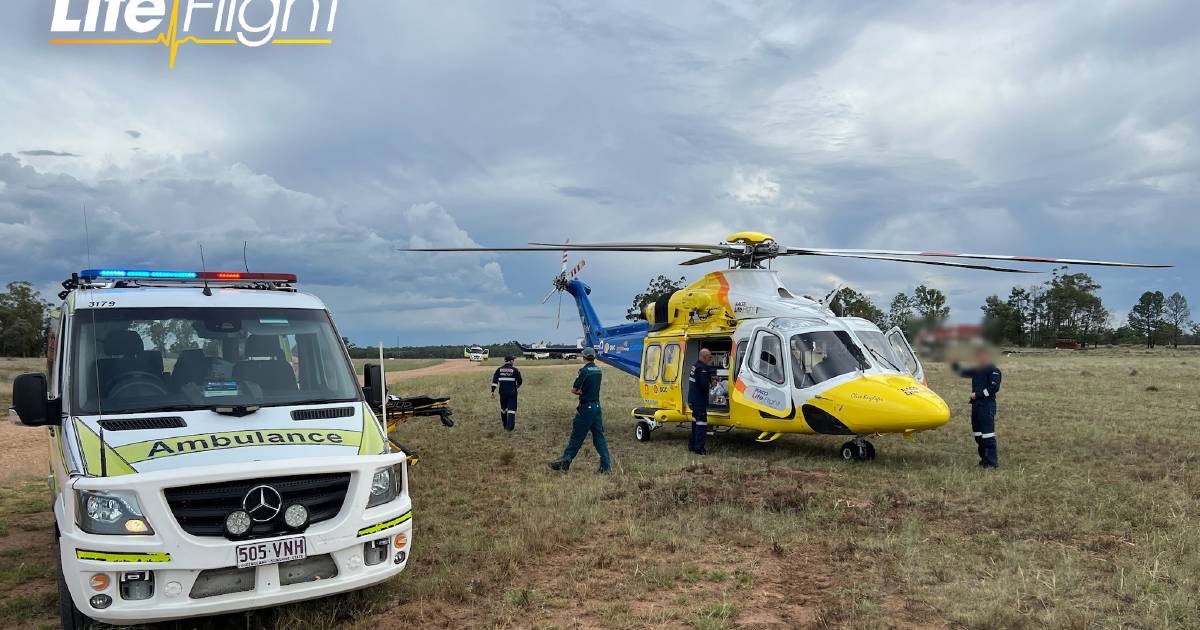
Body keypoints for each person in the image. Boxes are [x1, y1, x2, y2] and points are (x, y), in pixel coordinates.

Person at [548, 347, 612, 474]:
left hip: (586, 408)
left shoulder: (584, 371)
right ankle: (605, 466)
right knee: (599, 437)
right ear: (593, 357)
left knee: (576, 437)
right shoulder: (598, 370)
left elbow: (574, 389)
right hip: (596, 407)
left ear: (584, 357)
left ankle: (565, 461)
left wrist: (579, 392)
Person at [953, 348, 1002, 468]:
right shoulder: (976, 370)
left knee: (988, 435)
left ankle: (992, 463)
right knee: (979, 435)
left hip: (986, 406)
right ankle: (984, 460)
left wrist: (978, 394)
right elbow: (961, 372)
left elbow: (994, 388)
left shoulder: (994, 370)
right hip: (976, 407)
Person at [687, 349, 714, 455]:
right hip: (699, 401)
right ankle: (699, 448)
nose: (710, 359)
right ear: (704, 356)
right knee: (701, 424)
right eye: (710, 357)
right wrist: (712, 384)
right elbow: (703, 385)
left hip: (693, 400)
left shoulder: (696, 366)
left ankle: (692, 445)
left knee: (695, 424)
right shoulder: (702, 368)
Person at [490, 355, 523, 431]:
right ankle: (510, 428)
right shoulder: (515, 370)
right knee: (511, 410)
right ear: (510, 361)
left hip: (502, 393)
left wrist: (492, 391)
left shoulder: (499, 370)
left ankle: (505, 426)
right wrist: (517, 386)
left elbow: (494, 381)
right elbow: (520, 381)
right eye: (513, 360)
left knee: (503, 409)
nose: (513, 362)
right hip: (512, 393)